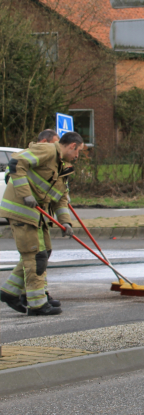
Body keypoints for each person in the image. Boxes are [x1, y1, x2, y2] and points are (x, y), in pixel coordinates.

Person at [0, 131, 84, 315]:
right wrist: (26, 194)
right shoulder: (47, 150)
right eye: (78, 151)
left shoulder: (61, 165)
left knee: (44, 252)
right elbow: (16, 163)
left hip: (35, 215)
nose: (77, 156)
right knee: (35, 256)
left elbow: (60, 198)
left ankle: (10, 292)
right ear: (72, 146)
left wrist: (66, 223)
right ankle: (37, 304)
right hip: (21, 210)